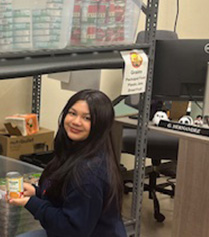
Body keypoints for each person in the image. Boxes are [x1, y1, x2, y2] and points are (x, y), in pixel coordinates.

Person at [10, 89, 126, 237]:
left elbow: (71, 231)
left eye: (87, 118)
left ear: (100, 125)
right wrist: (37, 192)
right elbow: (67, 199)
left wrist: (31, 203)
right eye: (72, 113)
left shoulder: (89, 174)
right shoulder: (76, 149)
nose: (76, 122)